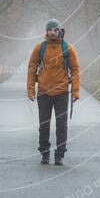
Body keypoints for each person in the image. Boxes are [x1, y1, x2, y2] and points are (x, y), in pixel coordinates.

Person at [27, 18, 80, 166]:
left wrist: (75, 92)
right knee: (44, 125)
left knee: (61, 125)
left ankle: (59, 155)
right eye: (50, 30)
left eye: (55, 29)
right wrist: (31, 90)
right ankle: (44, 154)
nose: (52, 32)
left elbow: (75, 70)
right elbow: (32, 68)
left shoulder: (67, 48)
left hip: (62, 93)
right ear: (46, 31)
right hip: (44, 92)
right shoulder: (40, 48)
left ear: (59, 31)